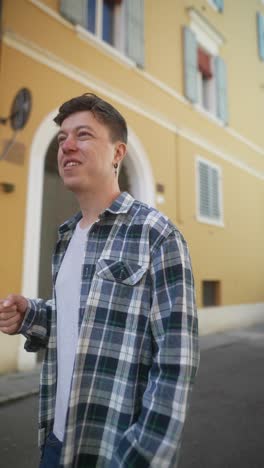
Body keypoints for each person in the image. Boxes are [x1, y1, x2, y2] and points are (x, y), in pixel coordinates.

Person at [0, 93, 199, 468]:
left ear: (117, 154)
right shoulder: (66, 236)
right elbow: (80, 319)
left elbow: (176, 362)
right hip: (55, 443)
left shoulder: (157, 234)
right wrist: (32, 315)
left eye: (84, 135)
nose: (67, 145)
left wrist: (141, 458)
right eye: (61, 139)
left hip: (115, 452)